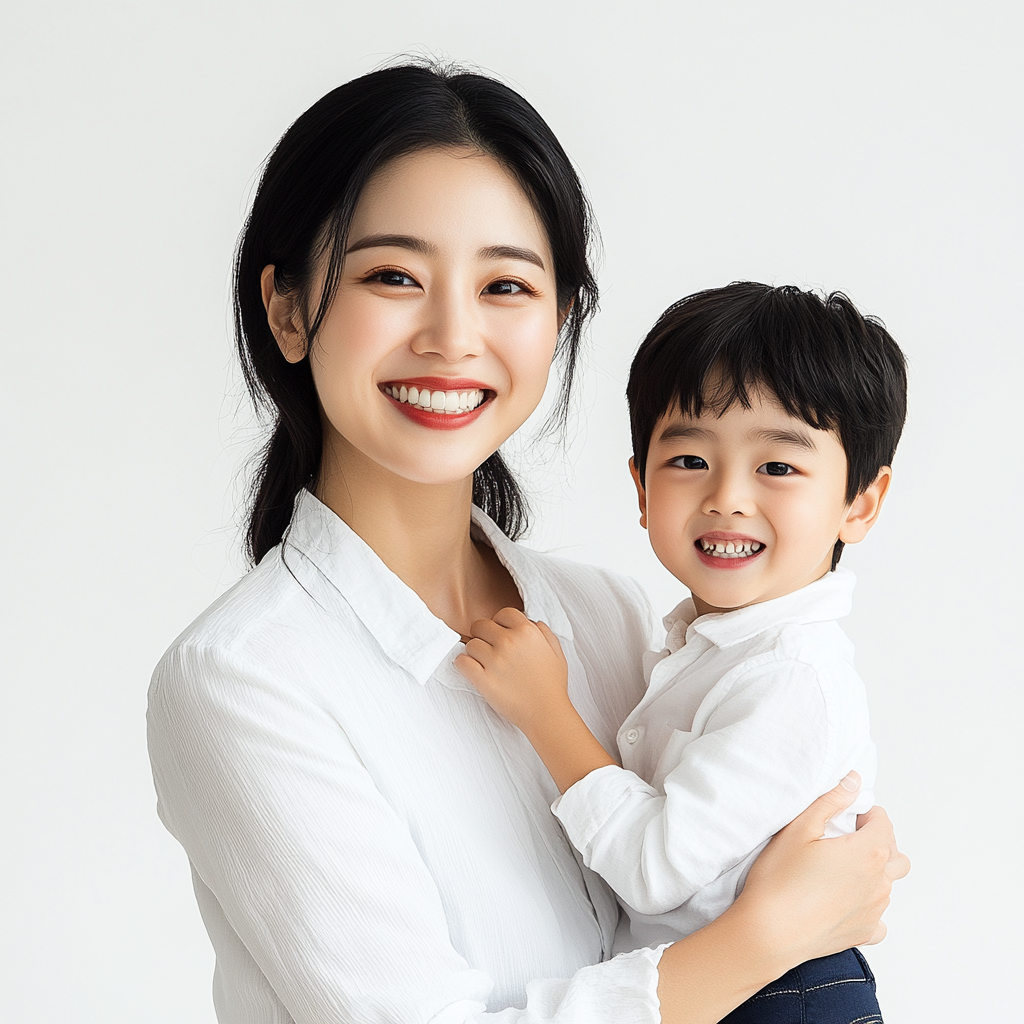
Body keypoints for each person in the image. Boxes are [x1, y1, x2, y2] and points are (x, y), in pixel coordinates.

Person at [147, 63, 908, 1024]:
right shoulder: (242, 679)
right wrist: (771, 937)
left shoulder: (611, 617)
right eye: (393, 276)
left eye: (505, 283)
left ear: (558, 322)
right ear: (289, 309)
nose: (453, 335)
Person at [456, 283, 907, 1023]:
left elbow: (655, 868)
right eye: (690, 459)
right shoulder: (705, 646)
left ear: (859, 502)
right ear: (640, 486)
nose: (728, 496)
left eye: (779, 467)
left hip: (776, 997)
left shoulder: (788, 677)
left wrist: (545, 712)